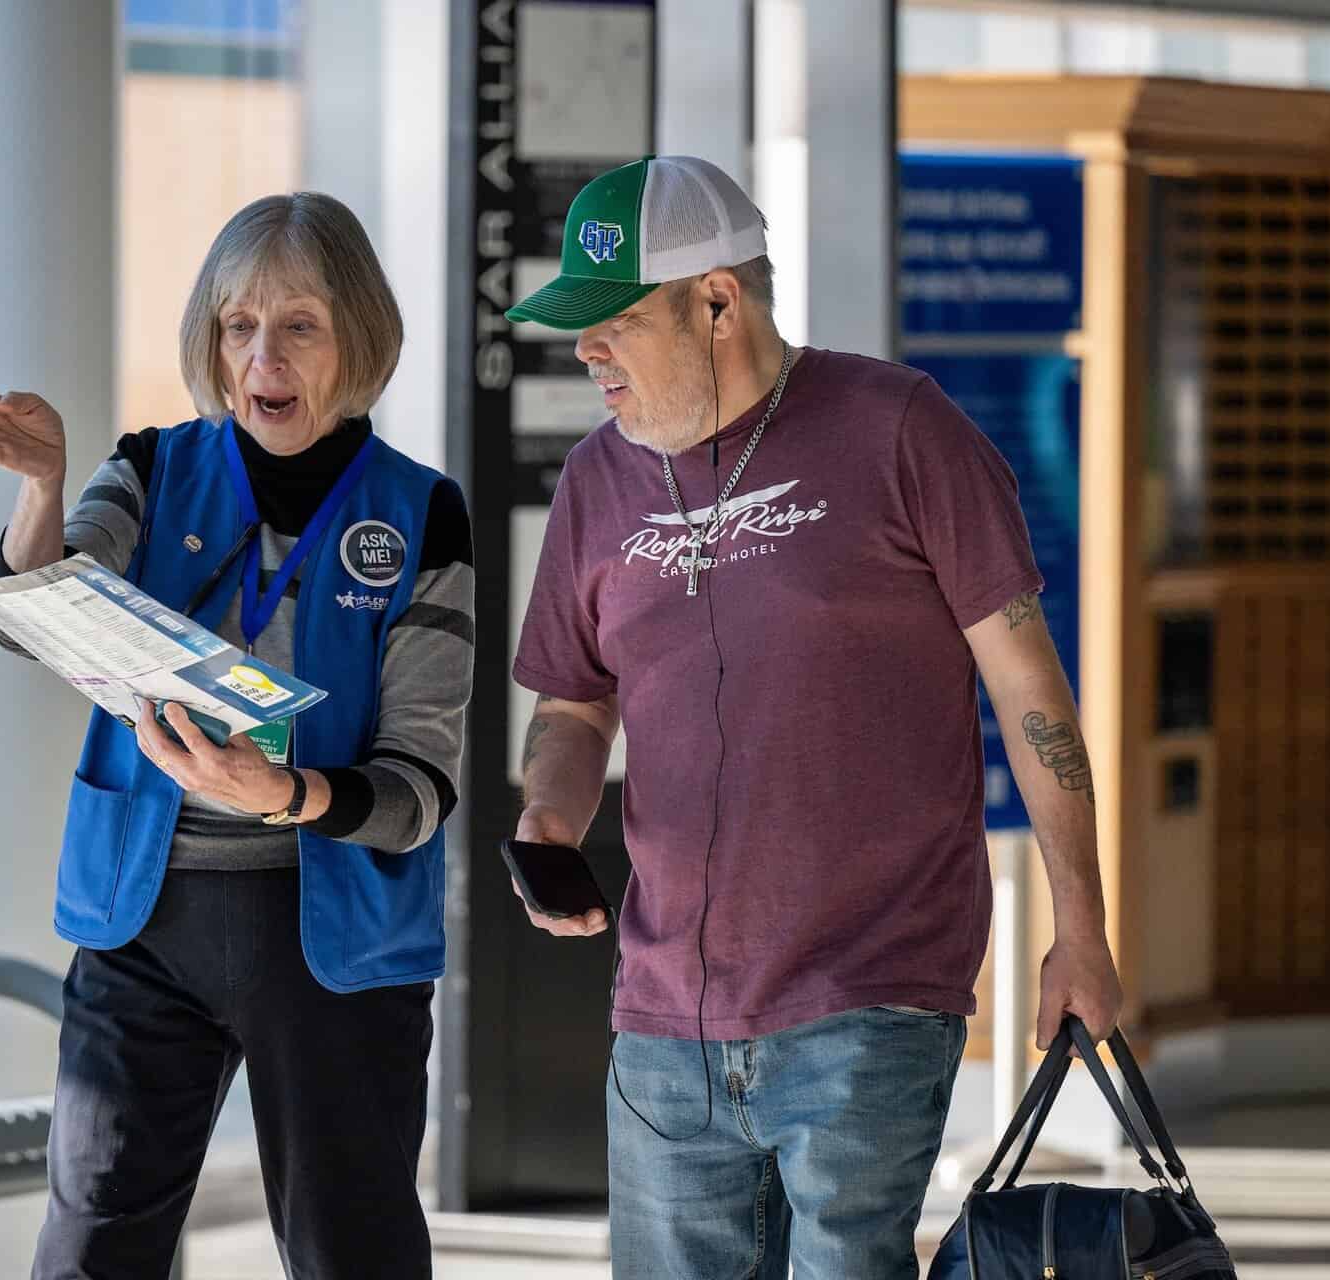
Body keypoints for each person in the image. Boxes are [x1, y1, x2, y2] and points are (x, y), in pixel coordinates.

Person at [503, 155, 1123, 1279]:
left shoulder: (900, 430)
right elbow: (575, 695)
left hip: (868, 993)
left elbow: (1031, 688)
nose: (586, 351)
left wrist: (1080, 925)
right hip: (660, 1017)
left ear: (719, 301)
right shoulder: (599, 478)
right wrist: (549, 811)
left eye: (615, 324)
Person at [0, 190, 474, 1280]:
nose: (263, 355)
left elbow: (422, 784)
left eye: (300, 325)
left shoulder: (422, 513)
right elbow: (41, 619)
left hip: (335, 938)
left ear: (356, 338)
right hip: (145, 917)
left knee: (351, 1251)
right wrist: (41, 487)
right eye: (237, 325)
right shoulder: (150, 466)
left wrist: (289, 793)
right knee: (89, 1248)